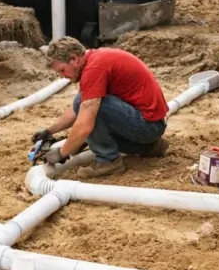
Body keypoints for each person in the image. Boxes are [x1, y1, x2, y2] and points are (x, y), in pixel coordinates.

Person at [33, 37, 170, 178]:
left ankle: (108, 161)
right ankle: (151, 147)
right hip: (151, 124)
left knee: (87, 116)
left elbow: (85, 123)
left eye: (62, 70)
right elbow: (76, 110)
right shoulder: (94, 60)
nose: (62, 76)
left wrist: (61, 153)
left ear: (74, 59)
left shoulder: (95, 68)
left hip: (148, 125)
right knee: (83, 109)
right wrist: (49, 131)